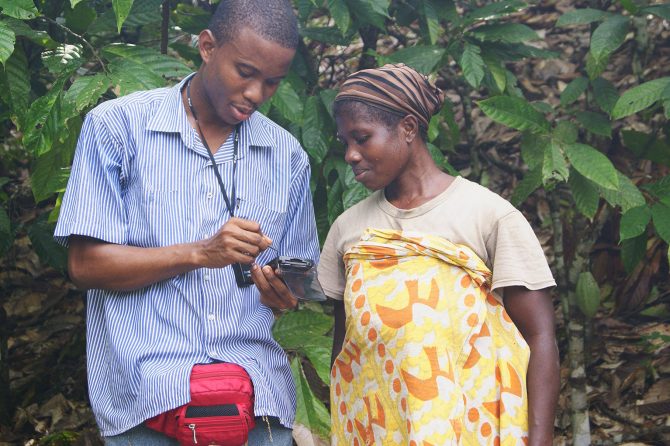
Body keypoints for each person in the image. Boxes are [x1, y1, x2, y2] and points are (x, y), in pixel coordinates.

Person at [53, 1, 317, 444]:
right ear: (207, 47)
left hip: (256, 398)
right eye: (245, 72)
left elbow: (297, 284)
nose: (256, 93)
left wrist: (285, 293)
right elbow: (84, 266)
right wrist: (200, 253)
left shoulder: (286, 156)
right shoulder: (118, 128)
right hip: (150, 394)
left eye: (273, 82)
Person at [318, 64, 559, 445]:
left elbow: (539, 334)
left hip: (473, 429)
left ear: (409, 129)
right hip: (381, 430)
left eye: (362, 138)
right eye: (344, 141)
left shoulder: (488, 215)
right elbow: (345, 348)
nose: (350, 155)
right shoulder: (348, 231)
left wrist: (540, 440)